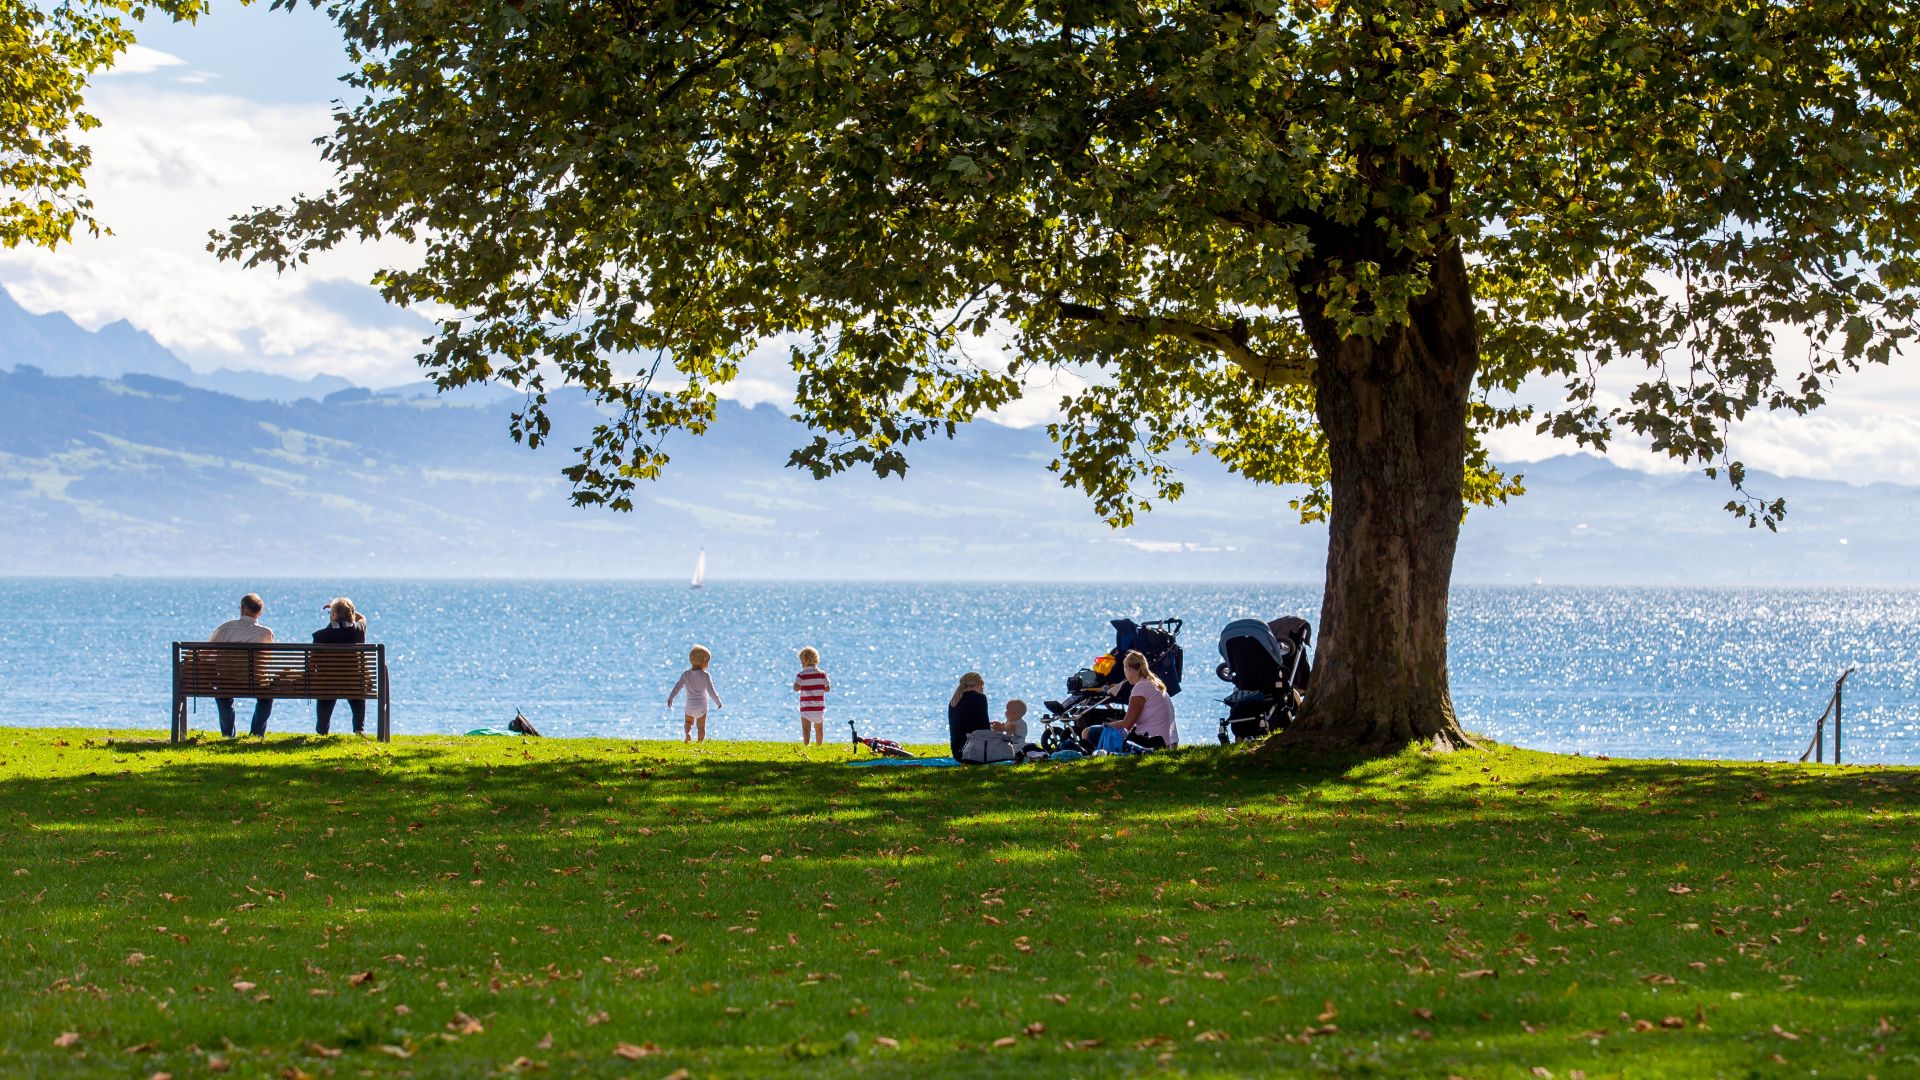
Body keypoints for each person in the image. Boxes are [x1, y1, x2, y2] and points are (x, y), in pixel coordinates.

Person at [1081, 650, 1179, 750]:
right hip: (1171, 743)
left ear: (1128, 670)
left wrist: (1106, 725)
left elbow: (1127, 724)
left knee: (1087, 732)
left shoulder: (1140, 687)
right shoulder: (1155, 684)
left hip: (1153, 742)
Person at [208, 593, 274, 738]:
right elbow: (267, 659)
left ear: (242, 608)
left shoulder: (226, 628)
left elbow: (207, 653)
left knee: (223, 696)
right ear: (260, 612)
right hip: (255, 682)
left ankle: (228, 735)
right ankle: (256, 734)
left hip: (227, 681)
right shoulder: (265, 633)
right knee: (267, 697)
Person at [312, 597, 368, 735]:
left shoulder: (320, 635)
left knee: (325, 688)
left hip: (328, 683)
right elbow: (363, 618)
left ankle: (322, 730)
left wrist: (334, 609)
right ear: (352, 615)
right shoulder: (359, 630)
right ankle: (358, 729)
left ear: (334, 615)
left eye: (331, 613)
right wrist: (347, 610)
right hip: (353, 683)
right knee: (357, 691)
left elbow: (312, 662)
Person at [668, 645, 723, 742]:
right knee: (701, 727)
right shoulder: (705, 675)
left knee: (688, 723)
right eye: (708, 662)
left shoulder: (686, 674)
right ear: (703, 661)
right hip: (702, 707)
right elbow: (711, 691)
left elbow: (677, 687)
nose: (708, 664)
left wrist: (671, 697)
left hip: (690, 706)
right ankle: (700, 742)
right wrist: (718, 702)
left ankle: (688, 735)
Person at [947, 671, 990, 759]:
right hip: (975, 752)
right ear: (978, 684)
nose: (983, 689)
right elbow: (985, 728)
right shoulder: (980, 698)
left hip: (958, 753)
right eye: (982, 686)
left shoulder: (954, 701)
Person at [793, 646, 831, 745]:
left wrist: (800, 686)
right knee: (819, 728)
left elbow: (796, 688)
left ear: (805, 661)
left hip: (806, 708)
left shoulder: (801, 675)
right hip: (818, 708)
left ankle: (806, 745)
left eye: (801, 661)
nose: (801, 664)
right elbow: (827, 689)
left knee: (806, 729)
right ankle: (819, 745)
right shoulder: (822, 674)